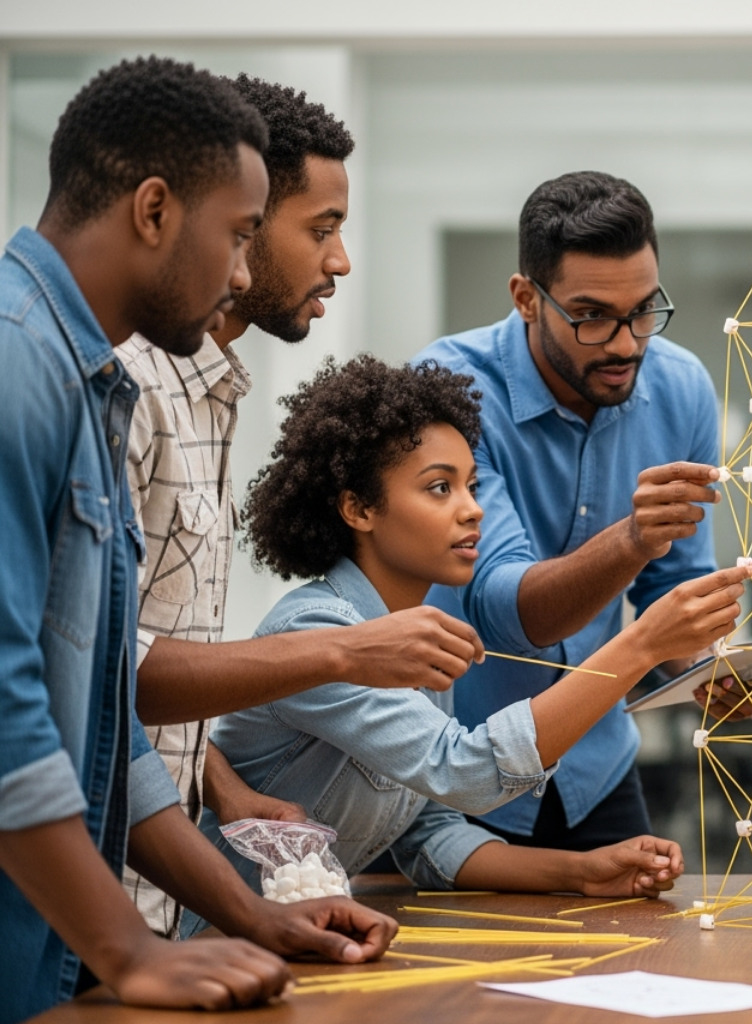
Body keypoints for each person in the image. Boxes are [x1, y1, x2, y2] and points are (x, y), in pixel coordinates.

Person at [0, 56, 394, 1024]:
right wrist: (126, 947)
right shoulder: (19, 365)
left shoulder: (83, 374)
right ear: (153, 210)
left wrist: (246, 912)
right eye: (239, 234)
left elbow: (100, 716)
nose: (242, 270)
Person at [120, 73, 484, 940]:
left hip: (157, 901)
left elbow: (131, 671)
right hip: (99, 901)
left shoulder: (212, 389)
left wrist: (224, 791)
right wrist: (347, 651)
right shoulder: (126, 386)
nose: (340, 260)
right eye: (318, 230)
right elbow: (100, 672)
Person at [194, 356, 747, 908]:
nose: (473, 510)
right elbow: (466, 771)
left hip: (289, 942)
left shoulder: (417, 639)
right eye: (440, 488)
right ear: (359, 509)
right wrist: (643, 642)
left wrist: (583, 871)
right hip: (211, 940)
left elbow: (427, 831)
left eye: (472, 486)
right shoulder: (317, 631)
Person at [418, 171, 751, 853]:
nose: (626, 343)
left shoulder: (681, 386)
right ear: (526, 299)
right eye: (592, 315)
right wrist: (630, 540)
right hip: (458, 768)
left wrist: (709, 669)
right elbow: (515, 612)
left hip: (594, 766)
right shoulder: (447, 388)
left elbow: (672, 585)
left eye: (643, 311)